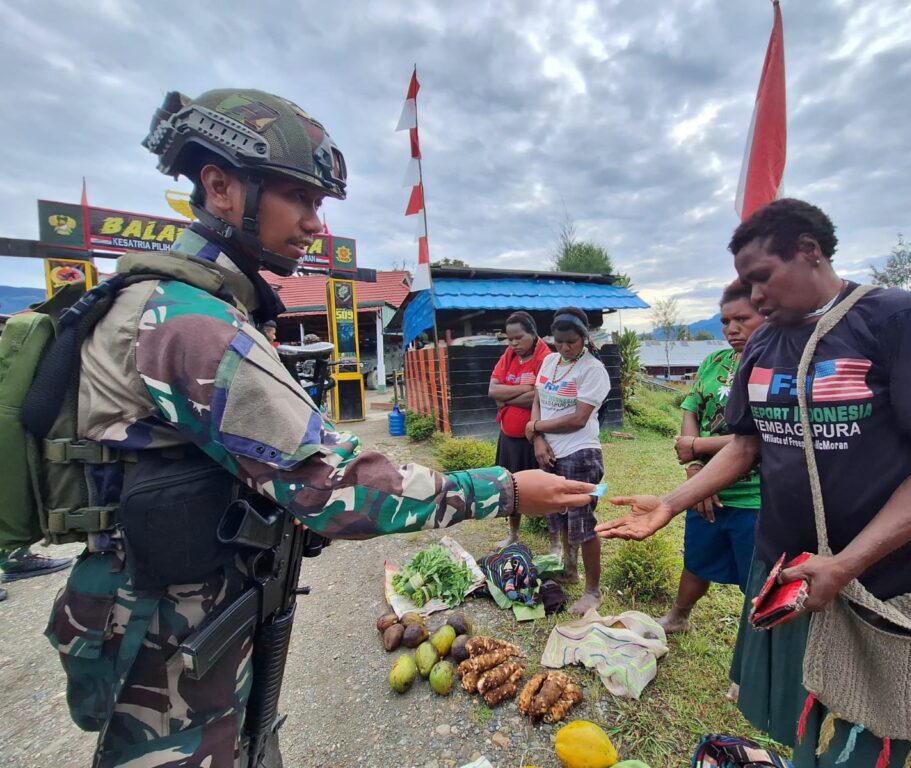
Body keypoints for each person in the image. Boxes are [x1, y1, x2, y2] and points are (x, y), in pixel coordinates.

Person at [49, 88, 595, 768]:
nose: (315, 223)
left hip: (178, 616)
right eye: (299, 198)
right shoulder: (192, 324)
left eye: (320, 203)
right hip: (166, 635)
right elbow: (334, 486)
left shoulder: (188, 305)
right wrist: (505, 489)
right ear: (220, 187)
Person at [598, 199, 911, 767]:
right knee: (810, 718)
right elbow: (746, 444)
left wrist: (848, 563)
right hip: (795, 570)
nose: (755, 296)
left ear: (810, 251)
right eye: (747, 283)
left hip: (896, 578)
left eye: (762, 276)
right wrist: (671, 502)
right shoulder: (765, 345)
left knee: (893, 731)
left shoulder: (900, 321)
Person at [661, 281, 765, 637]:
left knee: (758, 578)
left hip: (755, 496)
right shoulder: (714, 361)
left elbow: (760, 437)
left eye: (742, 319)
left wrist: (696, 447)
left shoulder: (777, 367)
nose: (732, 329)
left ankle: (758, 643)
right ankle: (678, 617)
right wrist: (695, 472)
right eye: (725, 321)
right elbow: (691, 407)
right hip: (706, 489)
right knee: (697, 559)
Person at [525, 307, 611, 614]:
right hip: (549, 452)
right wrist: (537, 438)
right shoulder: (549, 361)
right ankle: (570, 570)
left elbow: (578, 418)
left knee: (582, 523)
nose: (564, 347)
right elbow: (538, 398)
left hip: (580, 454)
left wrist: (535, 427)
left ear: (584, 338)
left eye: (571, 342)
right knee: (559, 514)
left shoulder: (593, 370)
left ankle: (593, 592)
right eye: (558, 341)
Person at [489, 311, 554, 549]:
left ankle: (555, 541)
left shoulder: (546, 358)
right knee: (511, 487)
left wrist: (507, 398)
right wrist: (526, 389)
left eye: (519, 338)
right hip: (509, 438)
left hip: (537, 438)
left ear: (533, 334)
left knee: (546, 489)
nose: (514, 344)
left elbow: (541, 397)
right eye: (510, 339)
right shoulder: (508, 356)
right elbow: (492, 391)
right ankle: (513, 534)